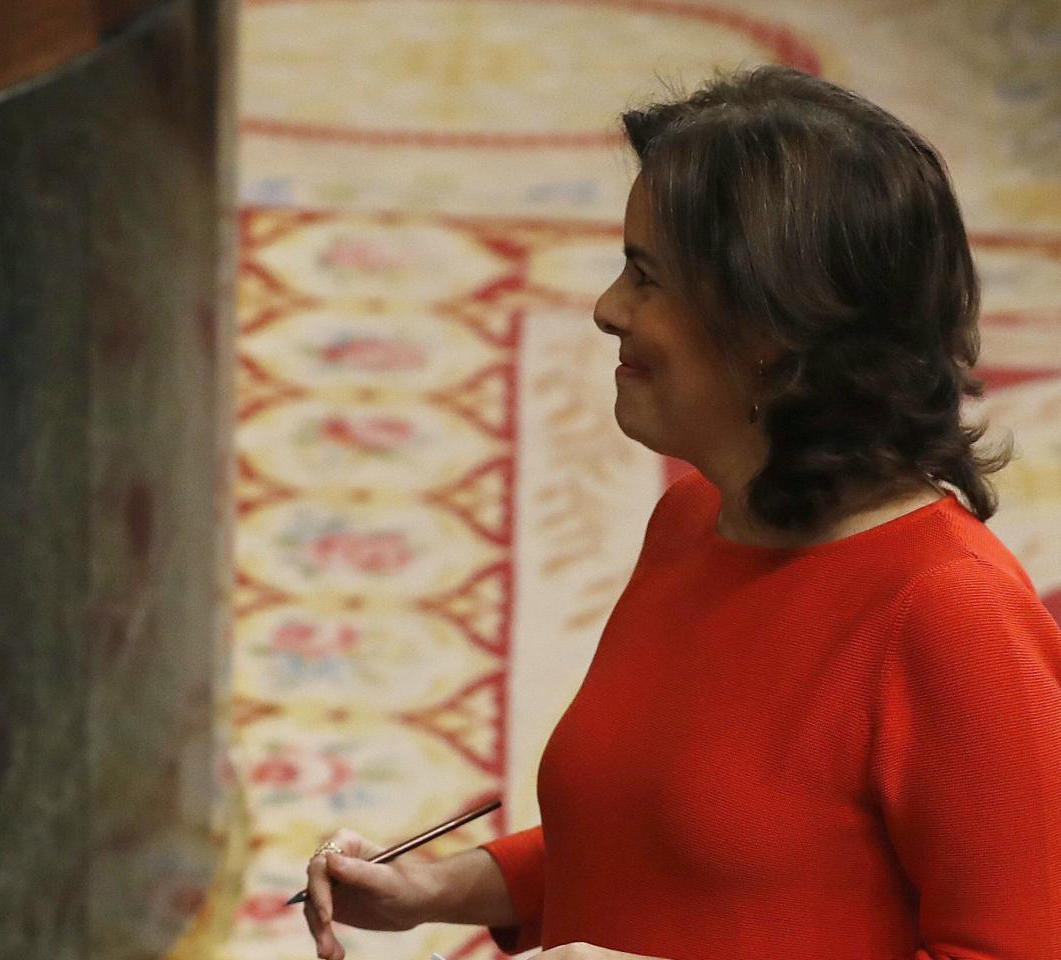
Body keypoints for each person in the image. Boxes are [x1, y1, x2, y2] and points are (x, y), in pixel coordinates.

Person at [299, 66, 1061, 960]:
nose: (606, 309)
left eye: (645, 277)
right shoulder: (698, 518)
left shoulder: (952, 620)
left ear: (768, 331)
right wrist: (437, 889)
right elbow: (669, 846)